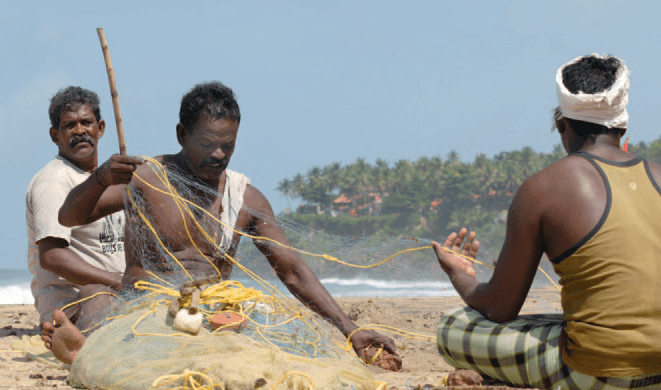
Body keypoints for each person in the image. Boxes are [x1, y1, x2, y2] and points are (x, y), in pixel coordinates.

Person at [43, 81, 396, 364]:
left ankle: (91, 352)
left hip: (208, 314)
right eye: (208, 144)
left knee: (271, 344)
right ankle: (84, 350)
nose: (218, 155)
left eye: (228, 145)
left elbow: (292, 270)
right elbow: (69, 217)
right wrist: (101, 178)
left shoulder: (246, 198)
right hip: (144, 308)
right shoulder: (148, 177)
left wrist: (350, 329)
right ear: (182, 134)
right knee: (95, 297)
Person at [432, 54, 661, 390]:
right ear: (623, 125)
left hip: (599, 375)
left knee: (453, 327)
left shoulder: (543, 188)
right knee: (557, 323)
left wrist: (460, 275)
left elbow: (500, 308)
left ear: (561, 123)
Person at [26, 86, 125, 332]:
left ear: (100, 128)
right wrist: (119, 282)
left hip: (120, 295)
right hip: (75, 304)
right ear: (55, 135)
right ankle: (70, 341)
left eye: (86, 123)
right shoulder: (54, 180)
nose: (80, 131)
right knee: (98, 294)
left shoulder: (113, 178)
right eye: (70, 126)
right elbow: (52, 256)